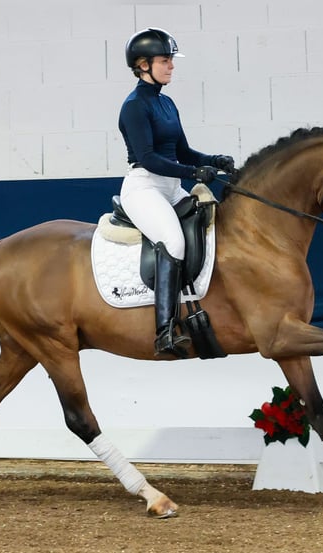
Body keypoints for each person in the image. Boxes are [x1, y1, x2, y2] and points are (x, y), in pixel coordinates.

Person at [118, 27, 234, 358]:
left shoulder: (166, 103)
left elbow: (182, 151)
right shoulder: (134, 106)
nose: (171, 66)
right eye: (165, 61)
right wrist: (192, 173)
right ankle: (165, 331)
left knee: (213, 223)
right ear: (143, 64)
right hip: (144, 188)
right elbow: (149, 159)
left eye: (171, 61)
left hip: (170, 186)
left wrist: (214, 161)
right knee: (173, 242)